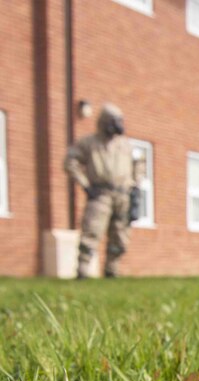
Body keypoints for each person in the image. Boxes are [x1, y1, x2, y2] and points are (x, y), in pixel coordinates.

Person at [64, 104, 145, 279]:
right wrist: (85, 185)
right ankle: (82, 271)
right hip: (100, 194)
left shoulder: (126, 145)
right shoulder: (88, 143)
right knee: (92, 231)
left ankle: (112, 270)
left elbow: (139, 165)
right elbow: (70, 162)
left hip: (123, 195)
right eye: (113, 121)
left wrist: (136, 186)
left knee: (120, 235)